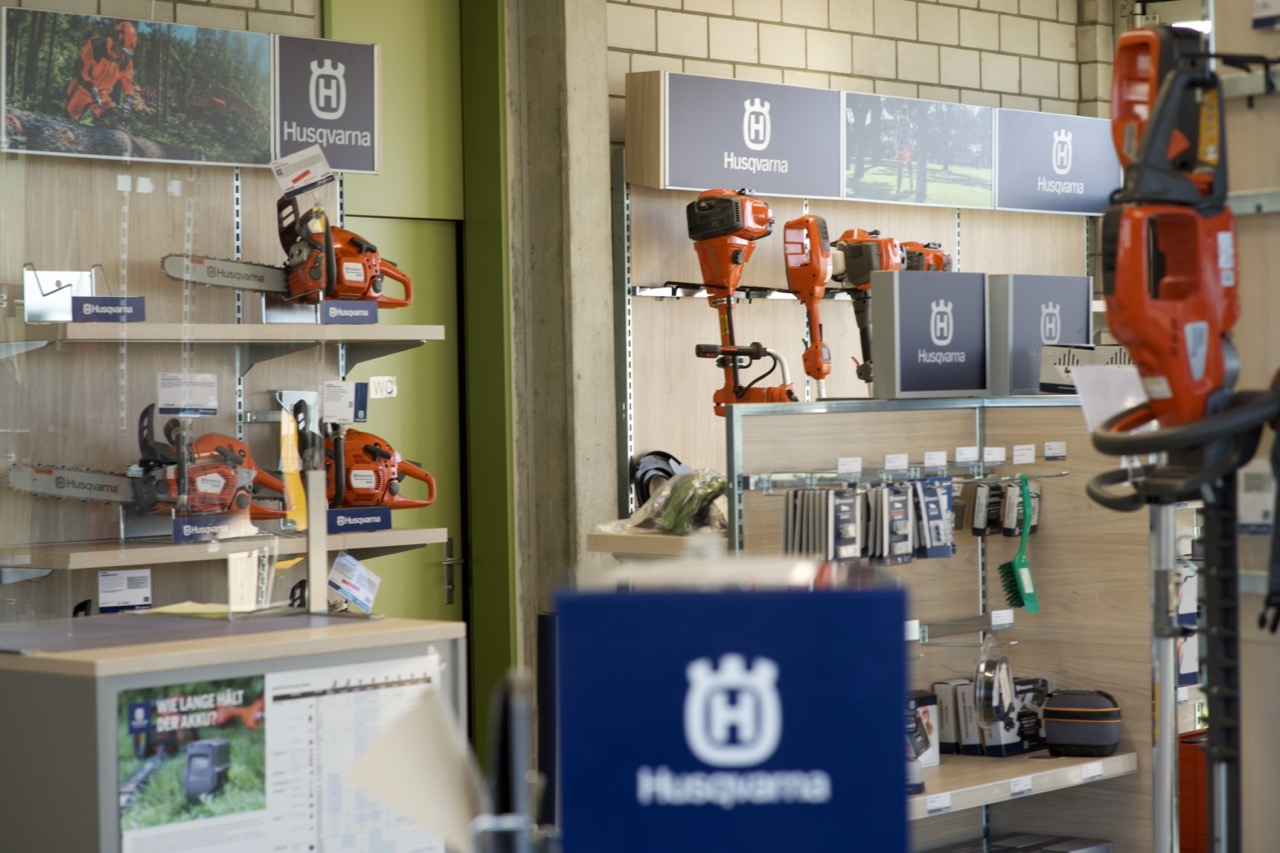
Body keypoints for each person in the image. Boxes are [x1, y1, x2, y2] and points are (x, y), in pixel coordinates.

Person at [63, 21, 138, 124]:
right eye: (122, 50)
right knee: (68, 121)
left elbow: (128, 82)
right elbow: (80, 71)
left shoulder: (125, 60)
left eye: (126, 52)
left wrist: (128, 102)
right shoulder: (97, 46)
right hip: (83, 89)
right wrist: (92, 90)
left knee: (111, 120)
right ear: (116, 39)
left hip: (103, 94)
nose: (123, 55)